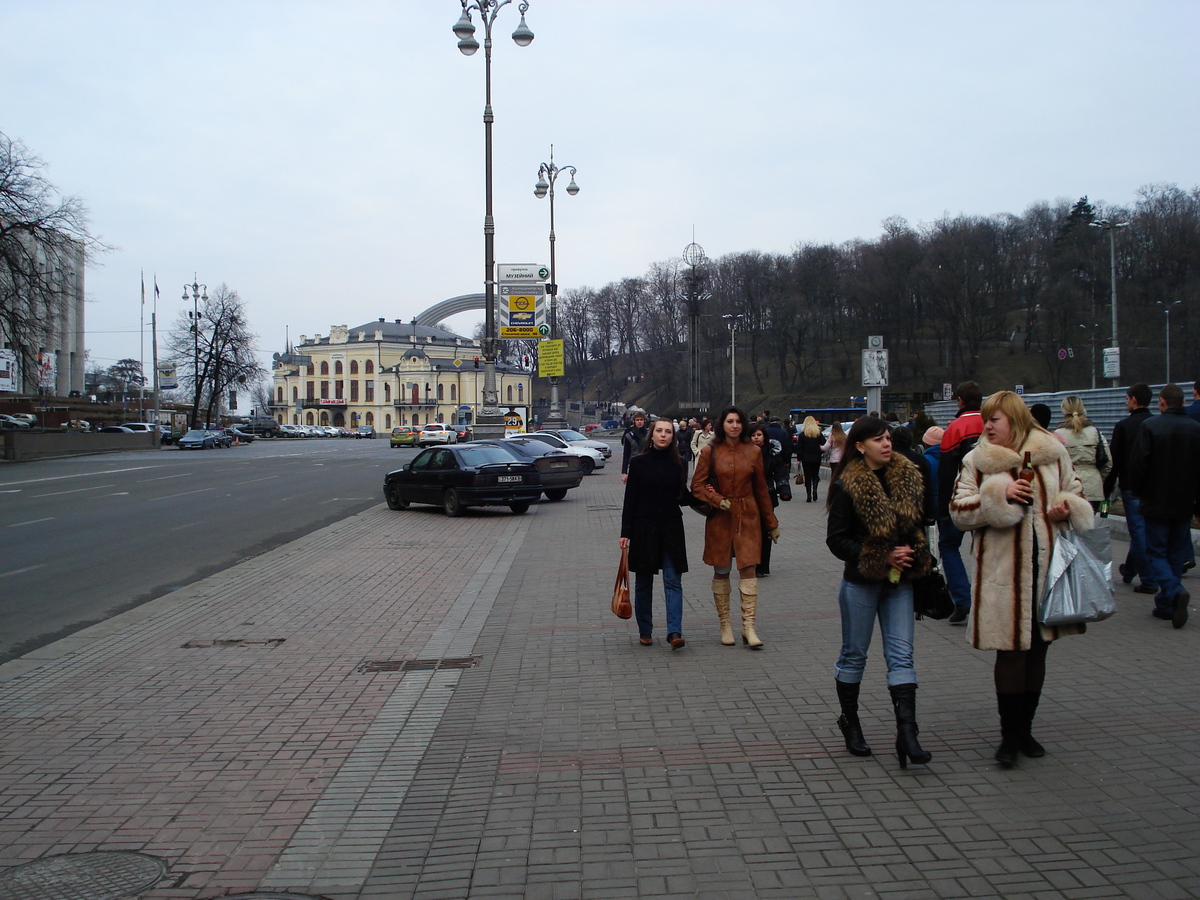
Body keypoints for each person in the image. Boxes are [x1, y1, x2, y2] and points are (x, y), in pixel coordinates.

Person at [950, 391, 1093, 767]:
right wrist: (999, 494)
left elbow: (1077, 493)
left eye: (994, 420)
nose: (987, 427)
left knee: (1038, 649)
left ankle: (1026, 729)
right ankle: (1009, 736)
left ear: (1013, 419)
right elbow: (958, 511)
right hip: (1002, 573)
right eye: (985, 420)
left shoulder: (1053, 452)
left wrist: (1066, 508)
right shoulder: (976, 460)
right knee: (1010, 650)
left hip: (1048, 570)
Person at [825, 416, 934, 767]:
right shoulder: (848, 484)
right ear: (860, 446)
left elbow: (921, 524)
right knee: (855, 654)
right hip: (861, 581)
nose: (887, 444)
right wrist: (880, 553)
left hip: (899, 581)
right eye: (878, 439)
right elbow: (837, 539)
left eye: (888, 438)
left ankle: (907, 732)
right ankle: (850, 722)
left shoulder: (907, 475)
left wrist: (913, 552)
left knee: (902, 655)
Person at [692, 406, 780, 648]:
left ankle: (749, 627)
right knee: (721, 570)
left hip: (747, 516)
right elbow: (696, 486)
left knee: (749, 568)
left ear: (744, 425)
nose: (734, 425)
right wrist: (716, 499)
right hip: (720, 519)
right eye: (730, 421)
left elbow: (761, 489)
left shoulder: (753, 452)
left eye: (738, 421)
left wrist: (771, 523)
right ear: (723, 424)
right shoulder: (710, 451)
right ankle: (725, 625)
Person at [1128, 383, 1200, 629]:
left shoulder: (1151, 426)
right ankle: (1166, 604)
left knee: (1156, 552)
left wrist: (1138, 492)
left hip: (1155, 500)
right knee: (1177, 553)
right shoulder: (1196, 429)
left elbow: (1138, 465)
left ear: (1162, 402)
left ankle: (1173, 590)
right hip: (1184, 503)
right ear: (1182, 402)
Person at [620, 418, 690, 649]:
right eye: (659, 431)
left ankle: (674, 632)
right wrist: (625, 532)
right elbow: (630, 500)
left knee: (673, 581)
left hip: (671, 528)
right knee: (644, 582)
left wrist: (710, 495)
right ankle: (645, 630)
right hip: (644, 528)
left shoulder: (678, 464)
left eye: (668, 432)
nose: (663, 435)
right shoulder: (639, 463)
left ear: (673, 436)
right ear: (652, 435)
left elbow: (683, 496)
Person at [1102, 383, 1157, 595]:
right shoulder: (1156, 423)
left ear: (1134, 399)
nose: (1125, 402)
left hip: (1131, 486)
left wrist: (1106, 490)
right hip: (1154, 487)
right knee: (1144, 531)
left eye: (1127, 398)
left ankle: (1150, 580)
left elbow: (1114, 462)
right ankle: (1129, 570)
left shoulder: (1124, 426)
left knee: (1139, 531)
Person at [938, 382, 985, 625]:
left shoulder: (956, 428)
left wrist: (944, 506)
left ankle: (963, 598)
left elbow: (946, 471)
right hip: (991, 498)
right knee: (988, 549)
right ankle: (989, 599)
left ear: (960, 401)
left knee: (948, 546)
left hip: (961, 497)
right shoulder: (992, 423)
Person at [1055, 396, 1111, 512]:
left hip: (1068, 487)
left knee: (1068, 527)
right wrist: (1099, 479)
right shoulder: (1095, 432)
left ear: (1063, 410)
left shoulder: (1057, 435)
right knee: (1088, 526)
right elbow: (1108, 463)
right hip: (1093, 488)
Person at [748, 423, 780, 577]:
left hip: (767, 495)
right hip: (748, 497)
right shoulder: (744, 453)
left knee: (766, 531)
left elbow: (780, 471)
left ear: (764, 436)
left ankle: (762, 566)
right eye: (753, 435)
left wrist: (784, 489)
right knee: (750, 532)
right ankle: (749, 561)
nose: (756, 438)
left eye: (759, 435)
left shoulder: (771, 453)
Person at [796, 416, 826, 502]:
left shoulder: (802, 435)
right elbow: (824, 443)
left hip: (806, 458)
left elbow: (799, 447)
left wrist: (799, 458)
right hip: (816, 457)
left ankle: (808, 495)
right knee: (815, 475)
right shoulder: (818, 434)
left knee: (807, 476)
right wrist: (820, 452)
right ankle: (815, 490)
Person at [765, 417, 793, 501]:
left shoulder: (766, 431)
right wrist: (787, 460)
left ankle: (771, 488)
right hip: (780, 457)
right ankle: (780, 488)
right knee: (779, 474)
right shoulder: (783, 432)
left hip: (768, 458)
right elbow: (787, 446)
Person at [620, 410, 649, 485]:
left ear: (644, 421)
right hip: (634, 466)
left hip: (647, 466)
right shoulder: (629, 435)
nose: (639, 422)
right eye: (637, 420)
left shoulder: (649, 435)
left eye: (641, 420)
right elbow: (626, 455)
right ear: (634, 421)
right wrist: (624, 472)